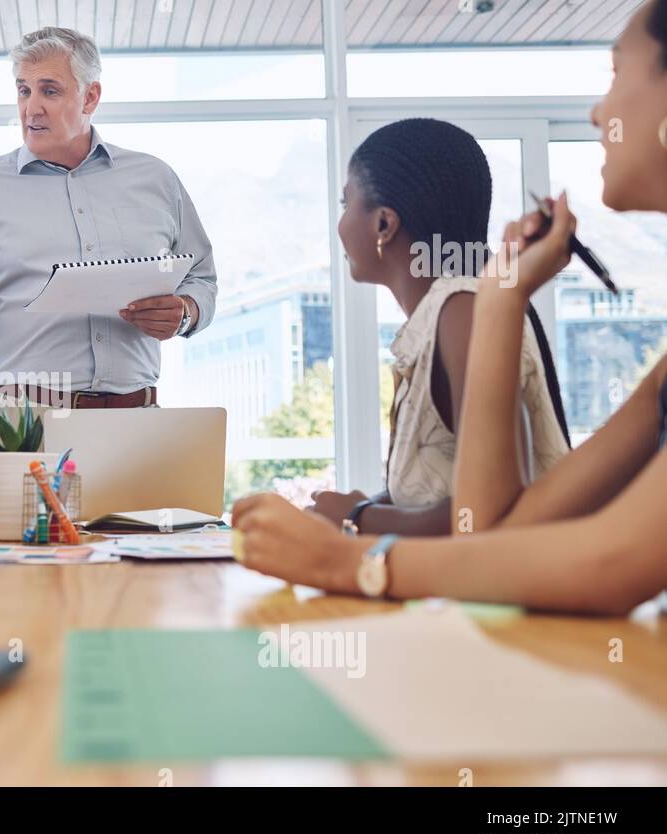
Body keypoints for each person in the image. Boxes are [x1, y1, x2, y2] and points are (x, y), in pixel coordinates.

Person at [232, 0, 667, 615]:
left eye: (620, 71)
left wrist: (349, 549)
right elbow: (495, 530)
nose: (600, 111)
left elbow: (613, 561)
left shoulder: (450, 310)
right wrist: (502, 295)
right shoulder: (657, 382)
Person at [0, 26, 218, 411]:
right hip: (24, 421)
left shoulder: (156, 180)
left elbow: (201, 278)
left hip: (137, 418)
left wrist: (184, 313)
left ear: (91, 97)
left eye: (50, 90)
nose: (32, 108)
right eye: (23, 90)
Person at [307, 119, 569, 536]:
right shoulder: (449, 310)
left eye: (345, 204)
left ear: (383, 225)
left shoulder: (461, 309)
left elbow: (492, 512)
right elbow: (444, 487)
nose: (340, 224)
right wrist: (367, 504)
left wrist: (355, 517)